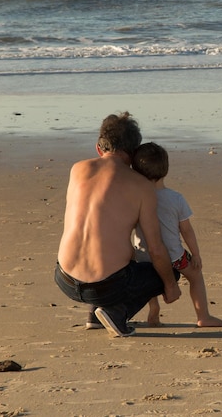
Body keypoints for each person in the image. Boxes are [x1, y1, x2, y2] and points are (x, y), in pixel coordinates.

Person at [54, 112, 182, 337]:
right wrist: (171, 285)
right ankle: (117, 312)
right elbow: (156, 248)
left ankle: (94, 315)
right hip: (106, 286)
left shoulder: (77, 170)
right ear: (133, 154)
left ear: (98, 148)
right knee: (167, 271)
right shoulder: (142, 187)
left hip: (64, 277)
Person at [131, 142, 222, 327]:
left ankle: (154, 311)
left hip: (143, 256)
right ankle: (203, 316)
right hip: (174, 256)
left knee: (149, 279)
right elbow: (186, 230)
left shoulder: (135, 199)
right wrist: (196, 254)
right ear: (165, 169)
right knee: (195, 276)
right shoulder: (175, 198)